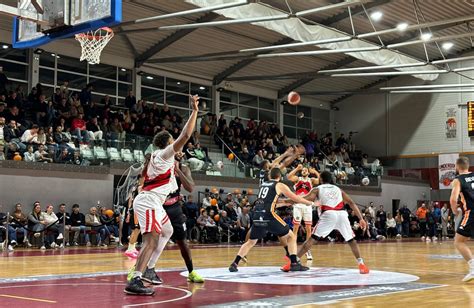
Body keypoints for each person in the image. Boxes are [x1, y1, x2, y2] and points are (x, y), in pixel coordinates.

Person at [125, 94, 199, 296]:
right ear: (167, 143)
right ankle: (136, 278)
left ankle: (149, 269)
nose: (176, 143)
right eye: (172, 141)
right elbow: (184, 136)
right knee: (150, 240)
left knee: (167, 231)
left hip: (155, 203)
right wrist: (194, 112)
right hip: (149, 201)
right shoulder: (164, 154)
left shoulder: (160, 158)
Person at [228, 167, 315, 273]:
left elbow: (271, 201)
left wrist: (285, 202)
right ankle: (294, 263)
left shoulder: (263, 185)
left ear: (270, 176)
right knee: (291, 236)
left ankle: (234, 263)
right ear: (280, 177)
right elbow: (294, 197)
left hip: (257, 215)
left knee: (251, 242)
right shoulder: (279, 185)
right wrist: (310, 203)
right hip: (269, 215)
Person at [291, 171, 370, 274]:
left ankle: (294, 261)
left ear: (321, 179)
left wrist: (287, 200)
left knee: (312, 239)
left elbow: (304, 199)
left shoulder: (317, 189)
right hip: (342, 215)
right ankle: (361, 264)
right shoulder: (338, 189)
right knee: (351, 241)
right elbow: (351, 203)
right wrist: (361, 219)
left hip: (328, 214)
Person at [160, 151, 204, 283]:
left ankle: (191, 271)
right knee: (151, 240)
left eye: (181, 150)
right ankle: (139, 270)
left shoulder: (184, 168)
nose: (180, 152)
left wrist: (178, 170)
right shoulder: (161, 165)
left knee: (182, 242)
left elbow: (190, 187)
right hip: (159, 206)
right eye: (177, 149)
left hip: (174, 208)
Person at [286, 164, 319, 260]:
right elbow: (288, 177)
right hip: (297, 205)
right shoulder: (297, 178)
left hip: (307, 206)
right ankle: (293, 249)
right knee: (295, 228)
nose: (304, 171)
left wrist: (315, 172)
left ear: (308, 172)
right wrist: (296, 168)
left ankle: (307, 250)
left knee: (308, 229)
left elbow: (320, 180)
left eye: (306, 170)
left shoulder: (311, 180)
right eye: (303, 170)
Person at [450, 156, 474, 282]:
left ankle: (473, 268)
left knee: (458, 241)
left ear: (457, 167)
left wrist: (454, 210)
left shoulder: (458, 180)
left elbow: (453, 199)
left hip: (471, 212)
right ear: (468, 166)